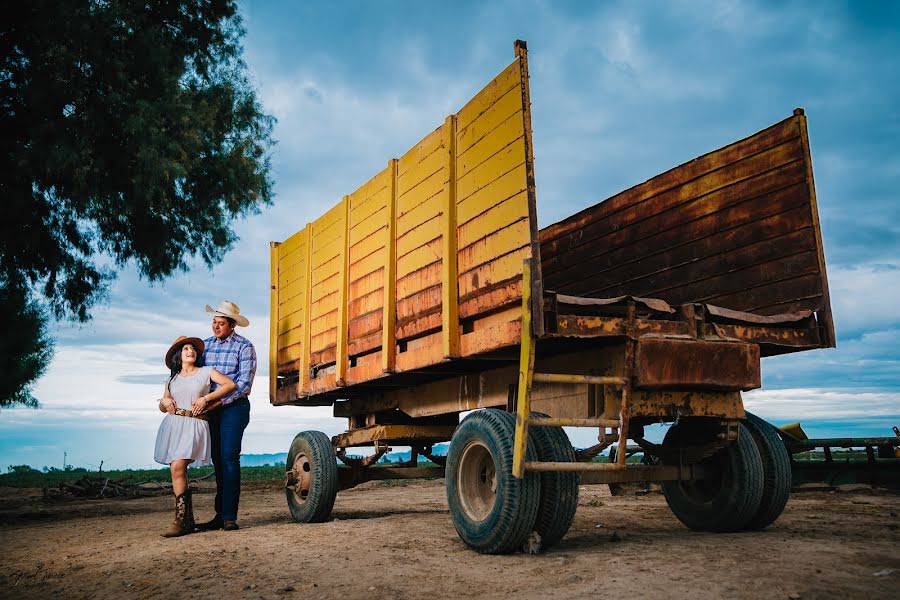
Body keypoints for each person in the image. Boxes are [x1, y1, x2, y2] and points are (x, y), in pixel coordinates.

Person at [155, 336, 236, 538]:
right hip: (174, 425)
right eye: (185, 349)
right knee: (176, 467)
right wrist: (164, 401)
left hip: (195, 424)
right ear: (178, 355)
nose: (190, 351)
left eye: (192, 348)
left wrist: (206, 398)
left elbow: (230, 385)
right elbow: (162, 407)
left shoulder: (206, 372)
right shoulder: (171, 379)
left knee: (177, 465)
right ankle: (186, 520)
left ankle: (180, 521)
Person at [194, 300, 257, 532]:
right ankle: (219, 515)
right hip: (210, 409)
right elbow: (195, 375)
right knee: (218, 460)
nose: (216, 327)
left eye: (221, 323)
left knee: (230, 458)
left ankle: (230, 516)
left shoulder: (244, 347)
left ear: (232, 326)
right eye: (214, 322)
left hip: (233, 407)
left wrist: (218, 401)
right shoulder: (205, 347)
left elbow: (243, 384)